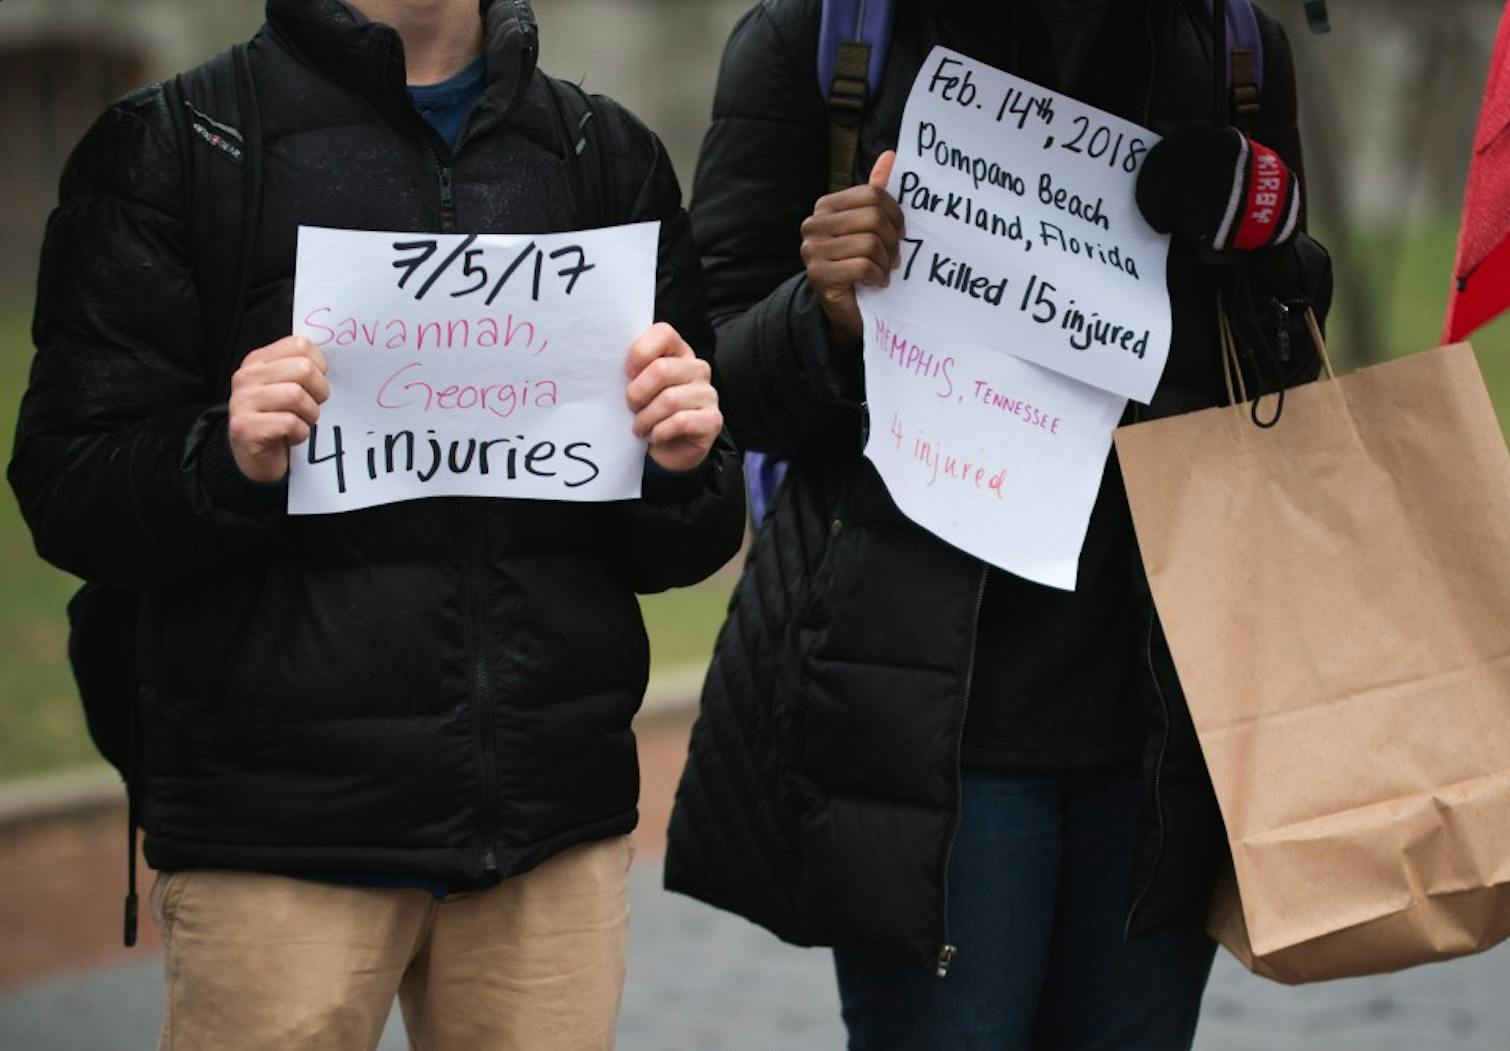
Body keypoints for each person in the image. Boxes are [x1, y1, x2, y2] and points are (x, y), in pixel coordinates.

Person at [8, 0, 742, 1047]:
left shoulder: (599, 150)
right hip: (274, 839)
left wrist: (679, 459)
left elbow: (680, 537)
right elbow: (67, 490)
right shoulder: (180, 142)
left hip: (546, 834)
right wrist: (222, 454)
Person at [664, 0, 1332, 1047]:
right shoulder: (824, 38)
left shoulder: (1229, 44)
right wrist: (826, 311)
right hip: (924, 732)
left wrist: (1264, 232)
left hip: (1165, 719)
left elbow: (1280, 373)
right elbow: (711, 393)